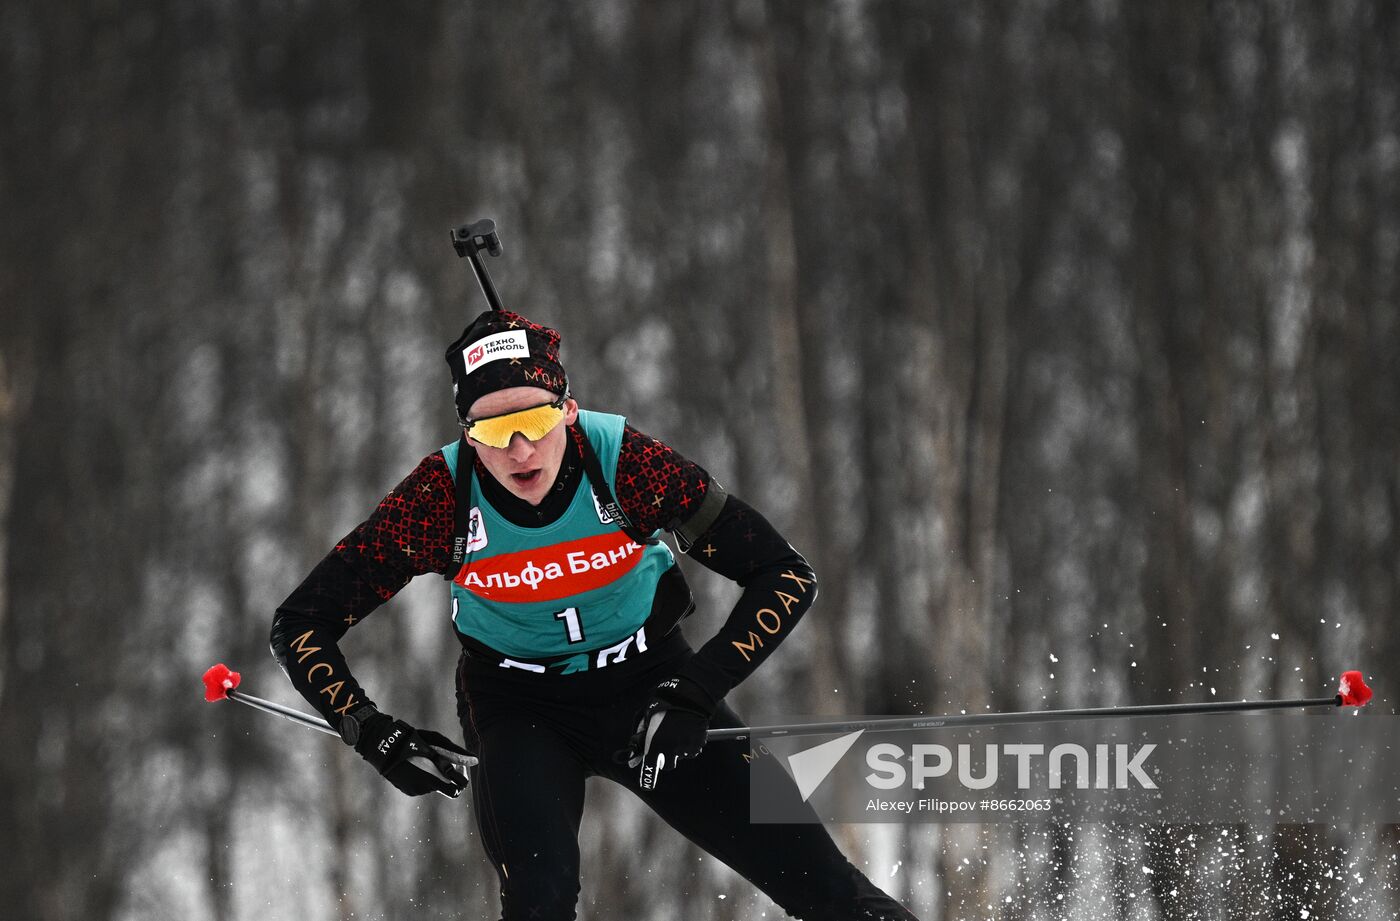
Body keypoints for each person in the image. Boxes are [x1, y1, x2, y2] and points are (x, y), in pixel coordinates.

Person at [271, 308, 919, 920]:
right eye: (492, 430)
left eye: (535, 419)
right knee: (541, 899)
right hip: (518, 707)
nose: (520, 449)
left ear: (569, 410)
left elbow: (785, 575)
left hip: (653, 687)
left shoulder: (626, 464)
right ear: (466, 433)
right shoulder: (440, 497)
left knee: (829, 890)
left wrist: (697, 690)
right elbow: (299, 624)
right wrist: (369, 730)